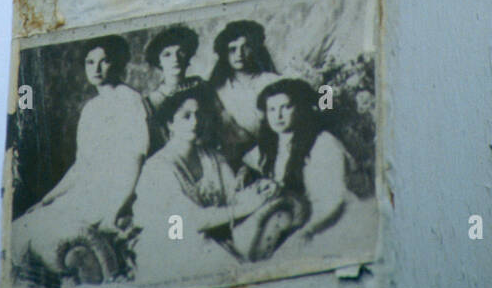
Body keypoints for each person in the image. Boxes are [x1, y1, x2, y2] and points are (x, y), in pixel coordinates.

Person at [11, 37, 148, 284]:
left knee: (58, 231)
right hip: (87, 189)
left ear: (116, 63)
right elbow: (82, 165)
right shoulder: (91, 109)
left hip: (118, 189)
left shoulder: (130, 100)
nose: (95, 68)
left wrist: (117, 208)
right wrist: (48, 198)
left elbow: (135, 159)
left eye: (104, 61)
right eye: (90, 62)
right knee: (24, 225)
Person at [131, 86, 278, 283]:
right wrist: (245, 207)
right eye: (186, 116)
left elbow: (232, 196)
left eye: (199, 115)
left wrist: (259, 191)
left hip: (209, 237)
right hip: (169, 244)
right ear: (170, 123)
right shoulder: (158, 167)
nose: (195, 122)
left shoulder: (212, 157)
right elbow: (192, 221)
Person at [241, 79, 346, 236]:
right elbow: (248, 162)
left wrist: (308, 231)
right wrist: (243, 172)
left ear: (300, 108)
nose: (278, 116)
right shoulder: (271, 142)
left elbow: (334, 199)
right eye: (272, 109)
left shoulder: (323, 141)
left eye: (286, 107)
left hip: (322, 220)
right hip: (291, 218)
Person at [208, 20, 281, 169]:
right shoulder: (218, 90)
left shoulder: (272, 81)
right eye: (232, 49)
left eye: (245, 47)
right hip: (235, 162)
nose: (239, 54)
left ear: (254, 49)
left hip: (275, 153)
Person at [143, 25, 213, 151]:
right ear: (159, 61)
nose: (175, 59)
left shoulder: (202, 86)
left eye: (180, 52)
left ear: (188, 56)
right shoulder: (151, 102)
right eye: (167, 54)